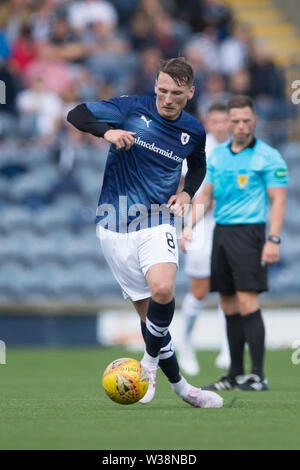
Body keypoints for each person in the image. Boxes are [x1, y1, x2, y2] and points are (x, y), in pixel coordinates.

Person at [67, 57, 223, 408]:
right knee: (150, 319)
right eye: (163, 90)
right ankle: (183, 388)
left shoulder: (194, 130)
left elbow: (198, 165)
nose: (168, 99)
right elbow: (75, 114)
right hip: (114, 225)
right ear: (155, 85)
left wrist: (186, 193)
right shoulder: (128, 109)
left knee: (164, 289)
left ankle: (147, 365)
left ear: (190, 92)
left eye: (177, 93)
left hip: (156, 220)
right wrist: (106, 132)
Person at [180, 95, 287, 391]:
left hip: (250, 232)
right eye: (235, 121)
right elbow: (205, 196)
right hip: (222, 233)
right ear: (228, 122)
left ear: (254, 121)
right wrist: (189, 225)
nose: (240, 126)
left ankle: (257, 374)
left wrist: (273, 239)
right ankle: (234, 373)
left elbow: (278, 201)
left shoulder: (269, 156)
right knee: (227, 303)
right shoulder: (217, 156)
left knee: (247, 300)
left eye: (245, 120)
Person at [178, 102, 231, 376]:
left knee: (229, 288)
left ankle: (228, 347)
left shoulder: (240, 148)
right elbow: (186, 186)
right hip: (202, 222)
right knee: (199, 289)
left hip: (232, 223)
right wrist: (187, 223)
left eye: (226, 120)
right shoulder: (199, 148)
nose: (221, 125)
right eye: (216, 121)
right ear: (208, 123)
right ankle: (185, 341)